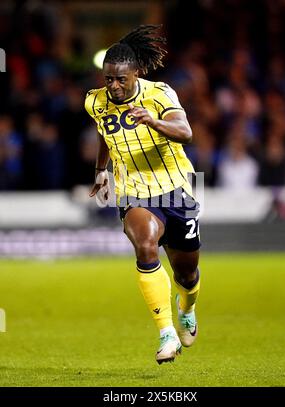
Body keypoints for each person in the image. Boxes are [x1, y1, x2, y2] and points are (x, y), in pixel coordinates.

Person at [85, 25, 201, 364]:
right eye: (109, 79)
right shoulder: (95, 101)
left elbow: (186, 133)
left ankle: (187, 307)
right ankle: (166, 334)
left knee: (187, 273)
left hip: (175, 189)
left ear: (136, 72)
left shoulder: (160, 94)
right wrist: (100, 170)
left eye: (121, 79)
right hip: (134, 190)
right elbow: (105, 135)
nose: (114, 87)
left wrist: (152, 121)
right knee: (145, 245)